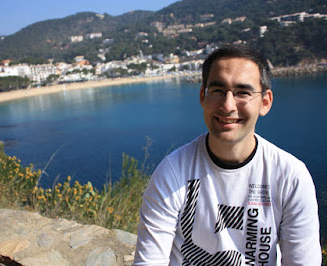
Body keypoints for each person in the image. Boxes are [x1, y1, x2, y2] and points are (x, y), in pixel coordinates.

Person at [133, 44, 321, 265]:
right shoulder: (173, 172)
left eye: (243, 92)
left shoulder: (290, 176)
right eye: (218, 91)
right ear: (203, 96)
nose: (228, 105)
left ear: (265, 102)